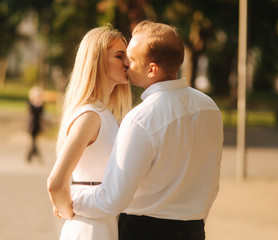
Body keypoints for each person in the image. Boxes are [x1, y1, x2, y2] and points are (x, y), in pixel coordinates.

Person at [69, 20, 224, 240]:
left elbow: (110, 200)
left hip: (142, 230)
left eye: (130, 59)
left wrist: (70, 197)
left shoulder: (140, 119)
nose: (125, 64)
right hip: (195, 230)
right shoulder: (209, 108)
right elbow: (212, 187)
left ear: (152, 69)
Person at [47, 25, 132, 240]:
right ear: (97, 60)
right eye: (119, 56)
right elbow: (56, 183)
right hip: (90, 227)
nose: (127, 63)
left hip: (103, 222)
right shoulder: (90, 115)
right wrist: (70, 211)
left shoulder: (104, 114)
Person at [26, 86, 45, 163]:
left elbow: (41, 112)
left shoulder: (40, 104)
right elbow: (33, 111)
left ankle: (30, 155)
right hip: (31, 126)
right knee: (34, 142)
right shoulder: (30, 103)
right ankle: (34, 155)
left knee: (34, 142)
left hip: (37, 126)